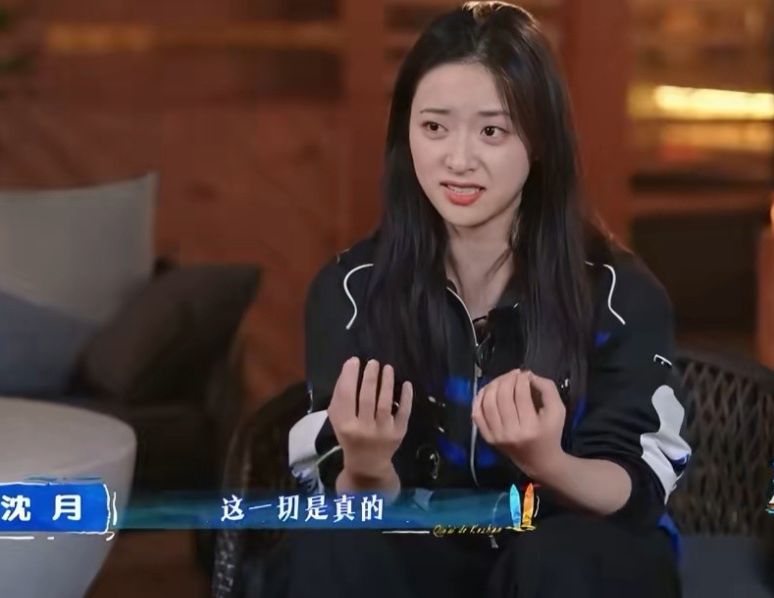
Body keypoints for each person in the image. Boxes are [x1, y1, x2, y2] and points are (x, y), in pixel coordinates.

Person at [265, 3, 694, 597]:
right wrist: (365, 464)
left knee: (560, 557)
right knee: (331, 545)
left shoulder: (618, 293)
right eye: (434, 127)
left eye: (492, 131)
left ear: (539, 140)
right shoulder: (352, 290)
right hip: (422, 546)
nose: (459, 159)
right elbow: (353, 506)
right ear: (405, 133)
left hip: (569, 547)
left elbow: (638, 485)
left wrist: (549, 462)